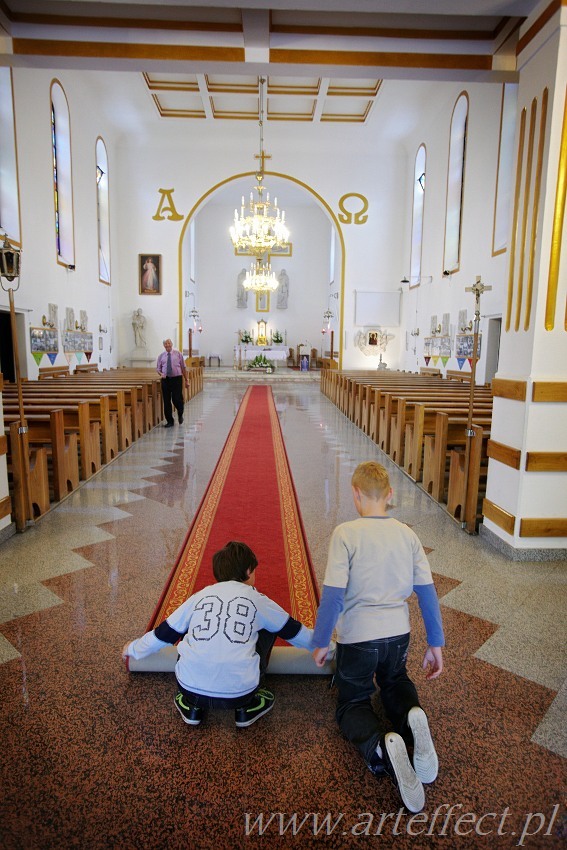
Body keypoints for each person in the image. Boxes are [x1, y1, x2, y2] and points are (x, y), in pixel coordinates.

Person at [312, 461, 444, 814]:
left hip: (358, 637)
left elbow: (334, 595)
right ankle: (413, 717)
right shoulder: (407, 533)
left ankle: (382, 746)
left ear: (356, 495)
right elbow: (427, 593)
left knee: (352, 701)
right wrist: (436, 643)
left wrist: (321, 641)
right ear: (389, 495)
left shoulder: (345, 534)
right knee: (395, 681)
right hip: (398, 634)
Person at [122, 541, 314, 728]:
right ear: (248, 571)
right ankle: (247, 709)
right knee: (269, 625)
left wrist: (132, 649)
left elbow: (163, 634)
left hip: (190, 688)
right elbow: (294, 631)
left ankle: (192, 708)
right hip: (242, 692)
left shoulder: (198, 597)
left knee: (186, 626)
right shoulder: (258, 599)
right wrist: (330, 650)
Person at [156, 338, 189, 427]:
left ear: (171, 344)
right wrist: (161, 373)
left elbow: (183, 367)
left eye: (169, 343)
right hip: (165, 380)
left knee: (176, 399)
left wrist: (186, 380)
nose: (167, 345)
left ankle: (180, 412)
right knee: (166, 401)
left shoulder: (178, 354)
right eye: (166, 344)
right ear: (164, 346)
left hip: (176, 379)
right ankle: (170, 421)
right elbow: (158, 369)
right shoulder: (161, 356)